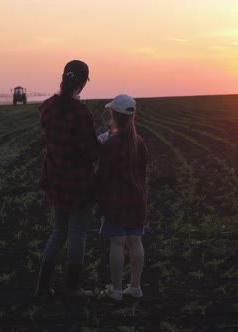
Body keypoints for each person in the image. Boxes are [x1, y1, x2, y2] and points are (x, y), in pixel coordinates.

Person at [34, 60, 101, 298]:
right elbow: (91, 152)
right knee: (77, 232)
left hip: (55, 179)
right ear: (82, 83)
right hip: (79, 184)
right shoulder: (81, 113)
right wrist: (101, 141)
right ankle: (73, 287)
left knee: (58, 231)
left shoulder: (48, 107)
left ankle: (42, 286)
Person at [96, 94, 149, 301]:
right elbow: (143, 171)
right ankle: (135, 286)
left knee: (116, 243)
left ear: (114, 115)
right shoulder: (140, 142)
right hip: (137, 199)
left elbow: (103, 175)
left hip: (116, 201)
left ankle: (116, 289)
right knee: (136, 241)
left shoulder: (111, 145)